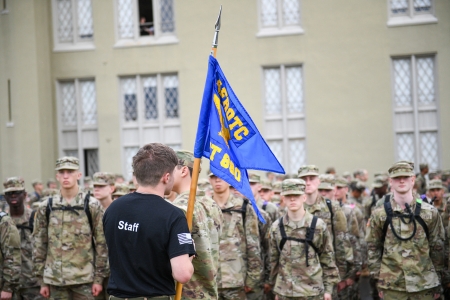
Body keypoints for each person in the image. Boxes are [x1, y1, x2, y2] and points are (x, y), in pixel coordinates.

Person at [103, 143, 195, 299]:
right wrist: (188, 253)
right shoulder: (173, 215)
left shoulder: (113, 209)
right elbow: (183, 274)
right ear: (166, 177)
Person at [366, 161, 445, 299]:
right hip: (392, 287)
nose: (401, 180)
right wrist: (379, 280)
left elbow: (438, 248)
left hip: (424, 285)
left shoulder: (430, 213)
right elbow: (373, 248)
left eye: (406, 177)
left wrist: (438, 281)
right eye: (397, 178)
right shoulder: (379, 214)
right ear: (391, 181)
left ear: (413, 179)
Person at [33, 156, 109, 299]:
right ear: (57, 176)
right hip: (55, 280)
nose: (66, 176)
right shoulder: (47, 206)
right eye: (62, 172)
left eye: (70, 171)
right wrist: (42, 281)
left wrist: (99, 279)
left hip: (84, 280)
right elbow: (39, 244)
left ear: (79, 175)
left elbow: (101, 243)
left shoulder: (91, 205)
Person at [268, 179, 339, 300]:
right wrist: (276, 289)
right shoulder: (276, 227)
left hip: (312, 292)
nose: (292, 199)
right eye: (288, 196)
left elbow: (328, 259)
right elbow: (274, 261)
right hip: (285, 292)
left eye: (296, 195)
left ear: (304, 197)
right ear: (283, 199)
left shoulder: (318, 225)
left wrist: (328, 290)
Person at [169, 150, 222, 300]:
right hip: (208, 291)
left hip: (186, 292)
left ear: (184, 170)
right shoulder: (212, 204)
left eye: (169, 169)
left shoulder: (179, 208)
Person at [298, 165, 354, 298]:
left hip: (325, 275)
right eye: (304, 179)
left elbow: (341, 243)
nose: (308, 182)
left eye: (312, 178)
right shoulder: (295, 208)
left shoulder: (332, 208)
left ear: (318, 181)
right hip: (300, 276)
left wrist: (340, 275)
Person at [209, 172, 262, 299]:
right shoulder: (204, 206)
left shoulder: (243, 207)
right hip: (210, 280)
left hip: (236, 279)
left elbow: (253, 244)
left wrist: (253, 277)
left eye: (221, 176)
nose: (217, 180)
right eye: (214, 177)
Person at [2, 177, 28, 300]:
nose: (13, 196)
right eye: (9, 193)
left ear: (25, 195)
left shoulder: (35, 217)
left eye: (17, 193)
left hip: (32, 283)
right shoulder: (3, 220)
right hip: (8, 283)